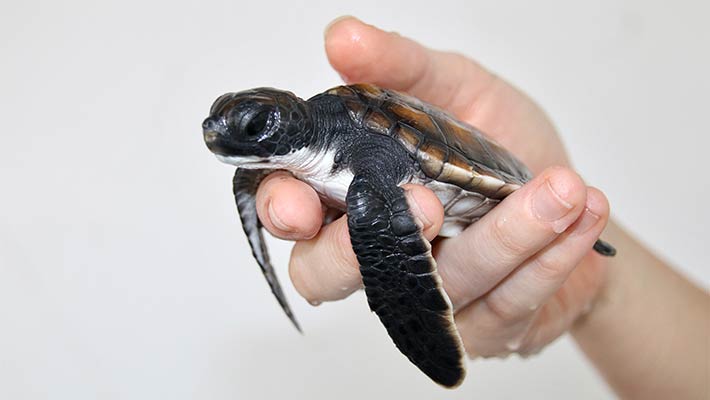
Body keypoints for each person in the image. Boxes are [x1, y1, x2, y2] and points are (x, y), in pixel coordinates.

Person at [251, 17, 709, 399]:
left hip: (466, 165)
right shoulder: (273, 166)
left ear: (291, 119)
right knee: (351, 210)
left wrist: (413, 316)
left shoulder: (357, 149)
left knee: (371, 214)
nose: (223, 136)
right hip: (431, 190)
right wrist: (592, 297)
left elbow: (378, 214)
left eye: (255, 125)